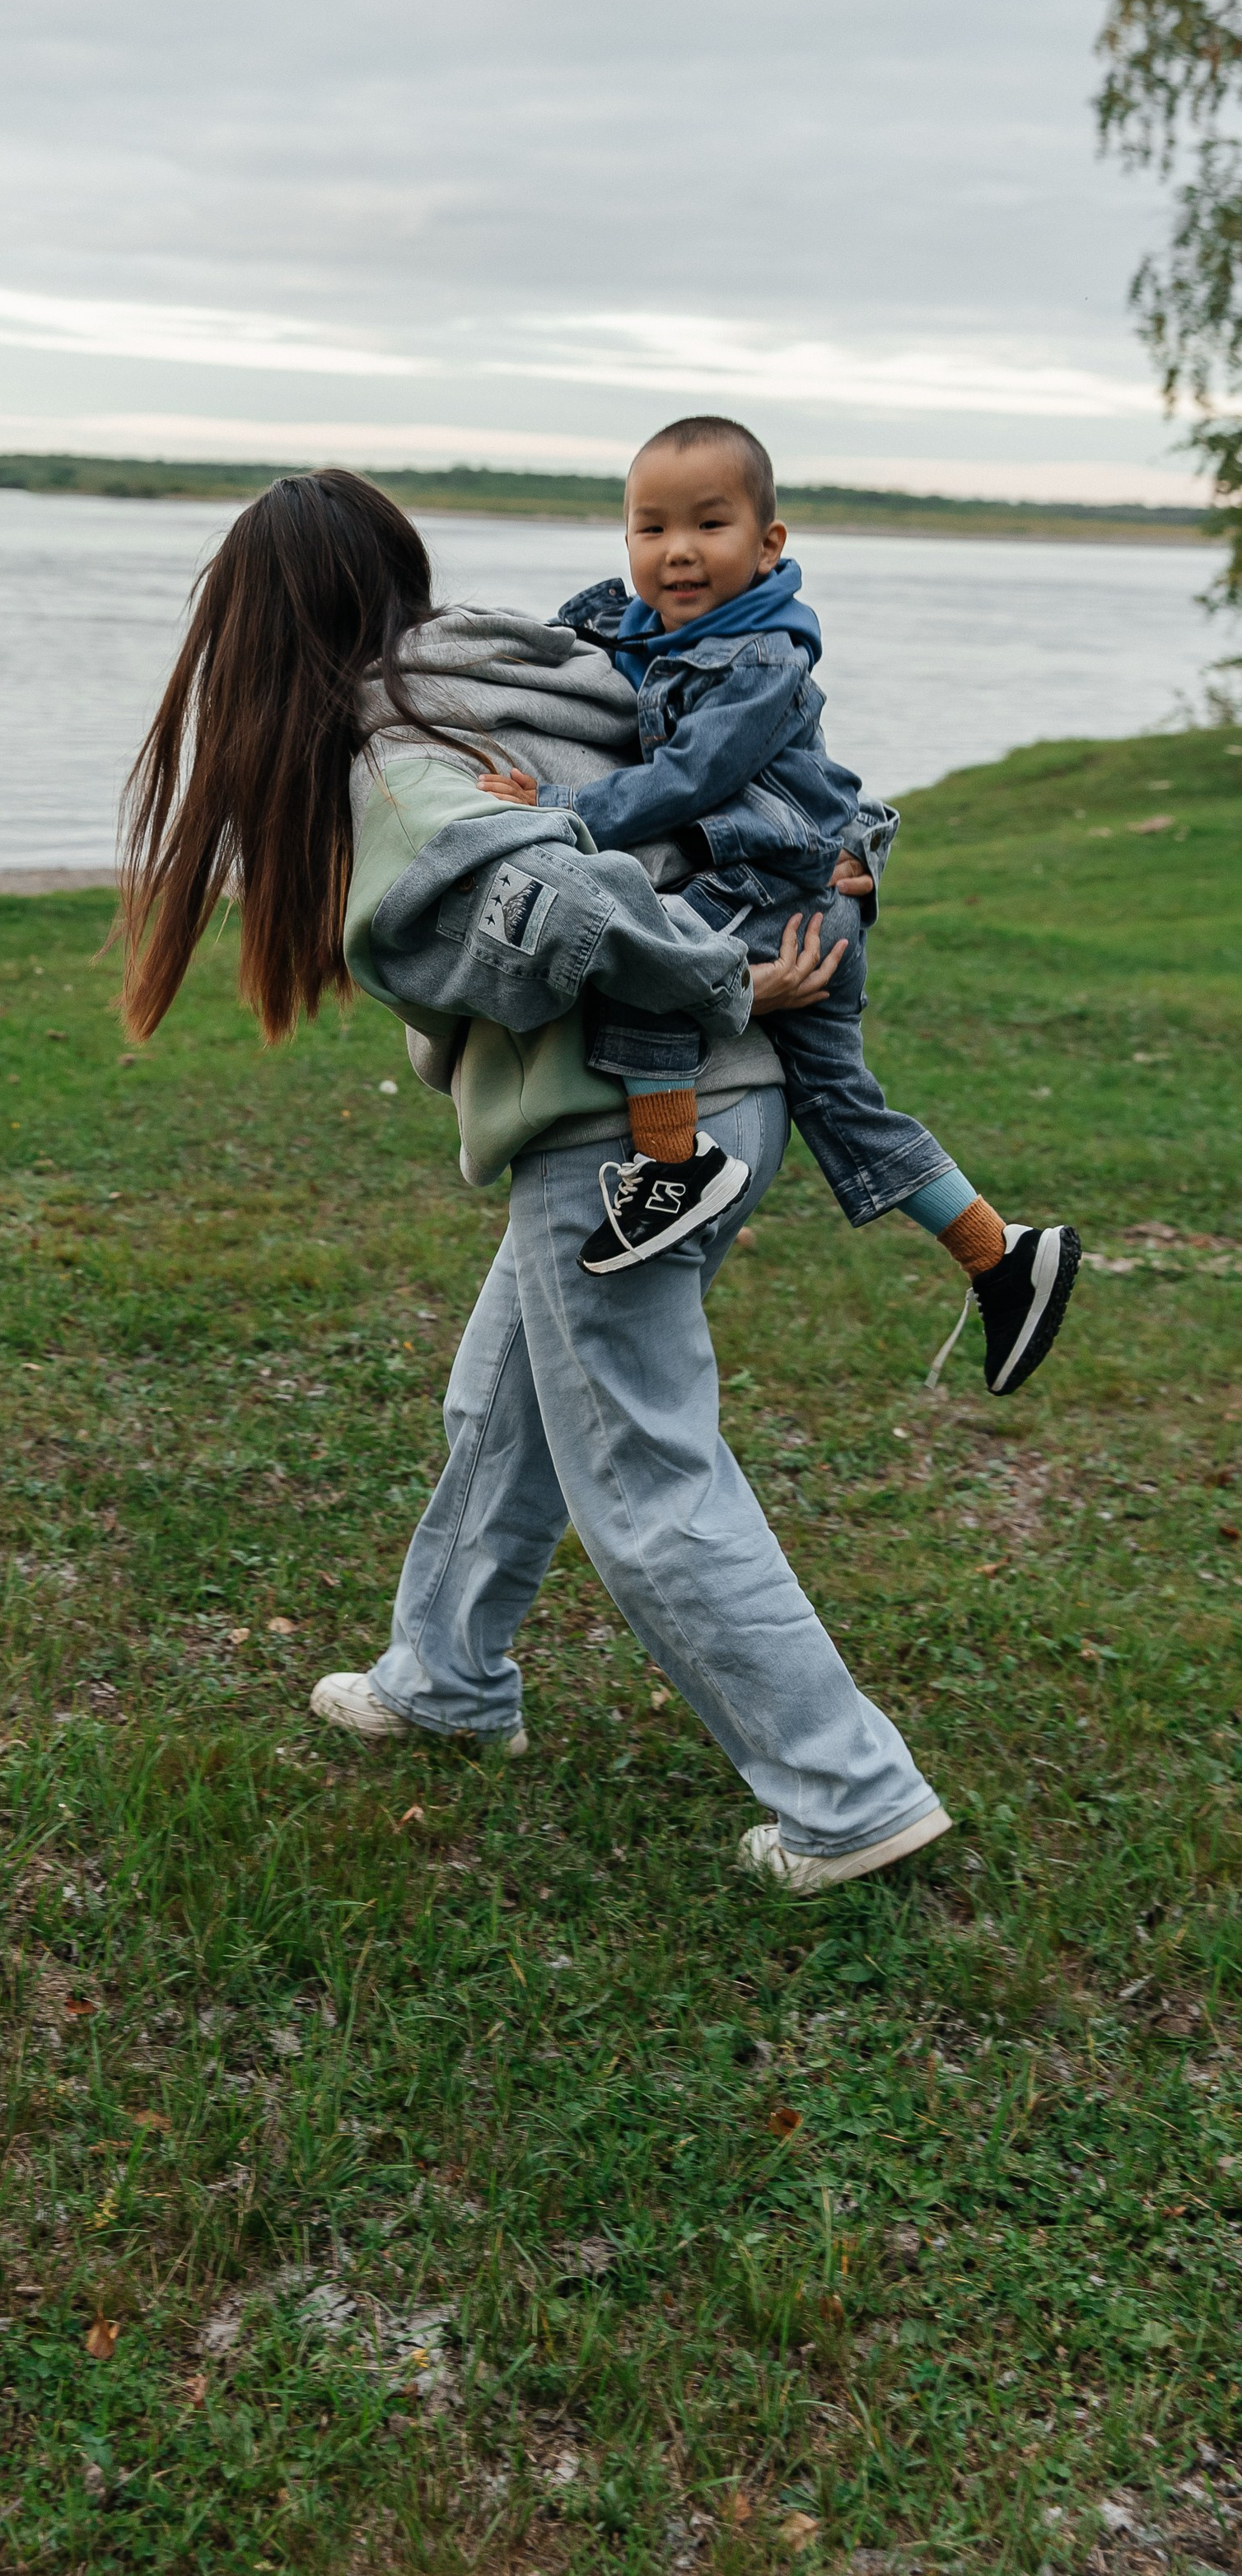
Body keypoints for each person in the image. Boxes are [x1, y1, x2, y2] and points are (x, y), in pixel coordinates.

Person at [117, 465, 950, 1894]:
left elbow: (542, 906)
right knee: (498, 1407)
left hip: (625, 1125)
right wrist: (795, 916)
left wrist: (717, 978)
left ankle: (847, 1796)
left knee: (641, 1470)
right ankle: (442, 1675)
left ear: (256, 634)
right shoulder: (533, 675)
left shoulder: (394, 753)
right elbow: (768, 782)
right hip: (712, 1115)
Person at [475, 413, 1080, 1399]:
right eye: (647, 527)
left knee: (647, 950)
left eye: (707, 525)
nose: (675, 550)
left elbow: (682, 779)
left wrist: (552, 807)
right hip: (806, 897)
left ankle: (673, 1162)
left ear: (767, 546)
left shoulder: (756, 659)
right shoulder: (665, 632)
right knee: (840, 1100)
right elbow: (822, 779)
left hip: (770, 891)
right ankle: (998, 1251)